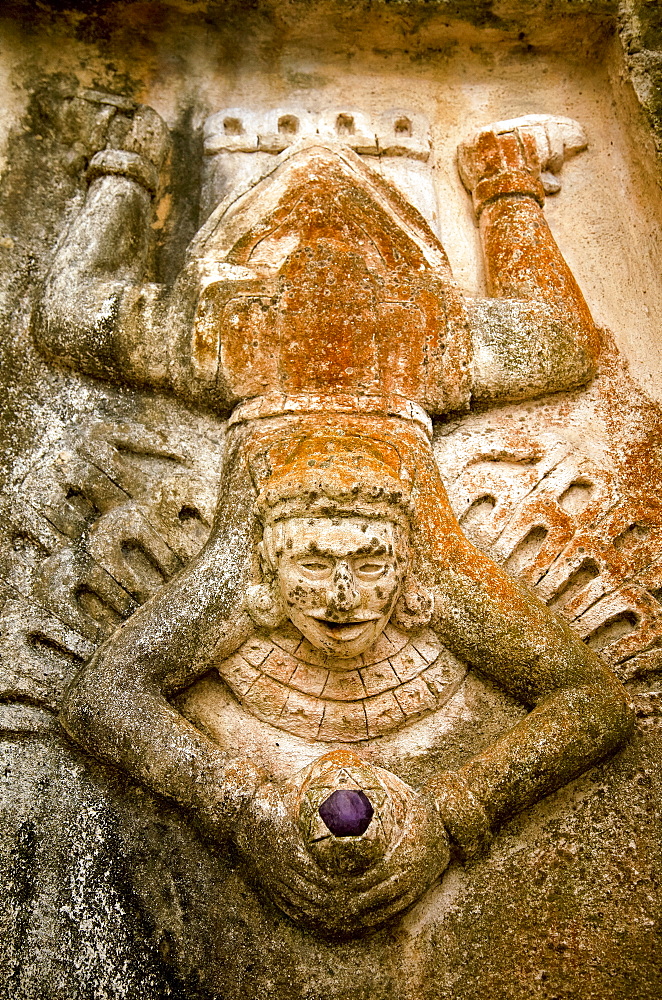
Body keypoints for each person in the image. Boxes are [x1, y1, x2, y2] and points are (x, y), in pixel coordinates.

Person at [33, 92, 633, 936]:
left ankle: (503, 173)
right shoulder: (363, 335)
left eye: (364, 567)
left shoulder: (222, 332)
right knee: (556, 345)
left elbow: (106, 697)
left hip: (339, 342)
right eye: (316, 566)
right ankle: (501, 167)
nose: (343, 598)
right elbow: (589, 701)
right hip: (364, 339)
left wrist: (123, 167)